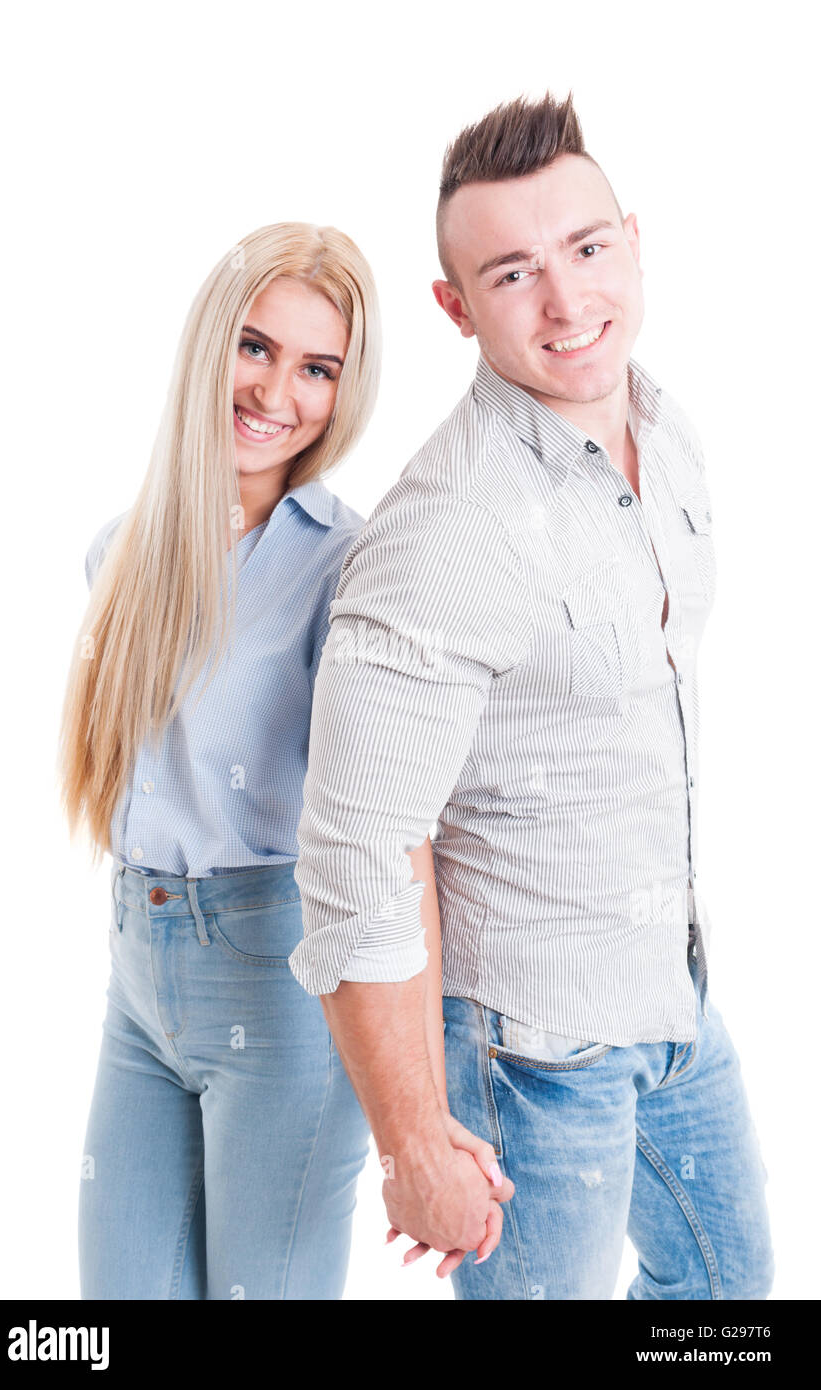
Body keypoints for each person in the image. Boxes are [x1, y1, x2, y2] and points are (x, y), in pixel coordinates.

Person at [288, 93, 775, 1300]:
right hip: (529, 1048)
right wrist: (411, 1140)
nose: (564, 303)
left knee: (725, 1297)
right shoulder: (447, 528)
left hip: (669, 994)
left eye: (585, 249)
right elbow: (357, 849)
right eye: (512, 273)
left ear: (632, 242)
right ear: (456, 307)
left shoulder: (668, 434)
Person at [58, 222, 454, 1299]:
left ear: (344, 389)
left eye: (317, 366)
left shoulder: (347, 568)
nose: (277, 388)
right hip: (138, 974)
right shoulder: (119, 550)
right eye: (255, 345)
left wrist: (419, 1107)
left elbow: (394, 831)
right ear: (207, 348)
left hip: (276, 978)